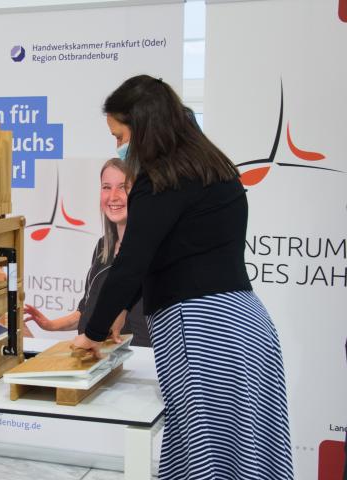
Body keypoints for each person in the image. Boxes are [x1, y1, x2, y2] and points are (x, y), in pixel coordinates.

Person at [73, 75, 293, 479]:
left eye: (119, 135)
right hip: (249, 327)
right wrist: (118, 311)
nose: (118, 147)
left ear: (142, 127)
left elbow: (133, 261)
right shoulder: (215, 169)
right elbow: (166, 253)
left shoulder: (161, 180)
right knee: (250, 457)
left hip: (202, 331)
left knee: (204, 458)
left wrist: (92, 330)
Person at [23, 158, 151, 347]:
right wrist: (50, 325)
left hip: (135, 363)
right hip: (96, 359)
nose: (113, 196)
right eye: (106, 187)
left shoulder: (149, 251)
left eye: (123, 187)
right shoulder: (103, 247)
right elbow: (86, 310)